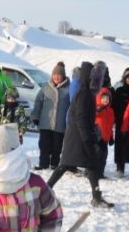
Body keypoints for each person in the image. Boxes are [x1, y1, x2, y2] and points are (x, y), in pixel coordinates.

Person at [49, 61, 114, 208]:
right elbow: (81, 119)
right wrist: (88, 138)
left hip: (80, 135)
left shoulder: (87, 92)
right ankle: (45, 190)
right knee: (66, 164)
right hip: (78, 137)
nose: (98, 81)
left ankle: (96, 197)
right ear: (89, 78)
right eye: (96, 78)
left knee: (88, 165)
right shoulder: (84, 93)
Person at [30, 61, 69, 170]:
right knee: (44, 145)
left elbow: (71, 107)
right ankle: (43, 164)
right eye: (54, 75)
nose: (56, 77)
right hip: (45, 122)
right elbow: (38, 102)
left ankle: (55, 164)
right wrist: (35, 116)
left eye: (59, 75)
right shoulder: (45, 87)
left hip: (60, 124)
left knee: (57, 146)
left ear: (63, 76)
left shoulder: (68, 89)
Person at [111, 67, 129, 176]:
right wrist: (115, 119)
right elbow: (114, 107)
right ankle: (120, 167)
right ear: (125, 79)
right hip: (122, 122)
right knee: (120, 145)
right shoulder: (120, 91)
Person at [95, 85, 115, 180]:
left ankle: (100, 173)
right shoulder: (97, 109)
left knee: (103, 156)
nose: (105, 100)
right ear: (99, 98)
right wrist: (97, 110)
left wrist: (111, 136)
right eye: (103, 98)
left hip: (106, 138)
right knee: (96, 155)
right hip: (97, 138)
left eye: (107, 98)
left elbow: (110, 125)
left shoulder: (110, 111)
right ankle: (91, 172)